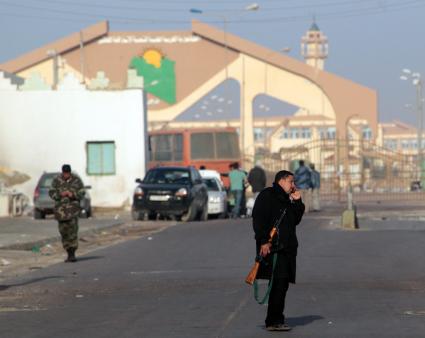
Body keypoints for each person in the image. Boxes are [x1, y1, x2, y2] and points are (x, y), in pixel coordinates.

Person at [252, 170, 305, 331]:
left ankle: (275, 319)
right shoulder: (267, 196)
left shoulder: (287, 199)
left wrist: (298, 202)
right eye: (291, 182)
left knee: (281, 284)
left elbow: (295, 220)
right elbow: (259, 219)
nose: (293, 186)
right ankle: (274, 320)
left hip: (287, 248)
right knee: (278, 283)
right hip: (273, 248)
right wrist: (263, 242)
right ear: (281, 181)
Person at [49, 164, 85, 262]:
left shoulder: (76, 180)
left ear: (70, 172)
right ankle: (68, 250)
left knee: (72, 231)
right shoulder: (57, 180)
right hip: (61, 212)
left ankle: (72, 253)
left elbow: (82, 192)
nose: (66, 175)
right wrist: (60, 194)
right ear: (62, 172)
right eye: (65, 173)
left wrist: (72, 194)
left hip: (72, 210)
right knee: (64, 232)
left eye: (67, 173)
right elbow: (51, 193)